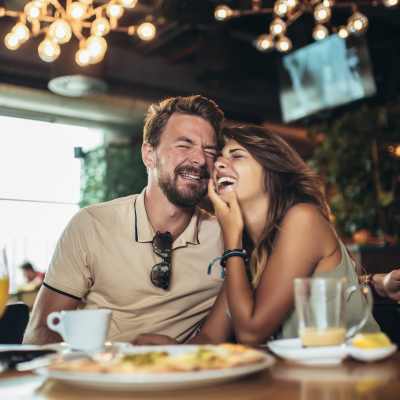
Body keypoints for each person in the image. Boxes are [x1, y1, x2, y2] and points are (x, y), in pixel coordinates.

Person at [135, 124, 380, 345]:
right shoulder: (250, 252)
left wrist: (232, 239)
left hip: (359, 378)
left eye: (237, 156)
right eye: (219, 158)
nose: (218, 165)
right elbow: (211, 337)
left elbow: (251, 332)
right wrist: (170, 351)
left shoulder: (303, 219)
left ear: (272, 171)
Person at [23, 95, 225, 345]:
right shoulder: (91, 225)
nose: (200, 159)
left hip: (178, 375)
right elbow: (41, 330)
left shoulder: (225, 238)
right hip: (94, 375)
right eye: (184, 145)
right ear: (149, 155)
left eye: (210, 150)